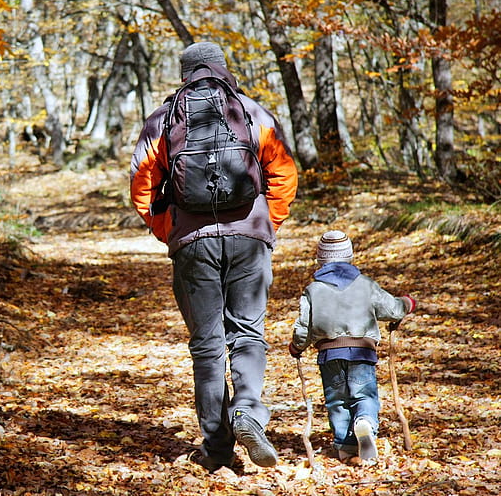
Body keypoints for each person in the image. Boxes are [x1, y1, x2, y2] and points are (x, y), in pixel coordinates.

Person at [130, 42, 298, 472]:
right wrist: (266, 223)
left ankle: (218, 450)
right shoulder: (250, 111)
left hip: (192, 242)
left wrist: (169, 229)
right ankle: (248, 411)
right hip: (249, 240)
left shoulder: (165, 118)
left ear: (184, 74)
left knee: (206, 346)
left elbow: (142, 182)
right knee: (247, 333)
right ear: (224, 69)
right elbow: (282, 172)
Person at [289, 230, 417, 465]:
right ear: (349, 256)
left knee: (337, 400)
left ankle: (346, 448)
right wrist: (407, 303)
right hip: (362, 351)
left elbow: (304, 327)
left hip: (329, 354)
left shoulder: (313, 290)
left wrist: (296, 347)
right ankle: (365, 422)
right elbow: (392, 309)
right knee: (363, 394)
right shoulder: (366, 285)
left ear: (321, 259)